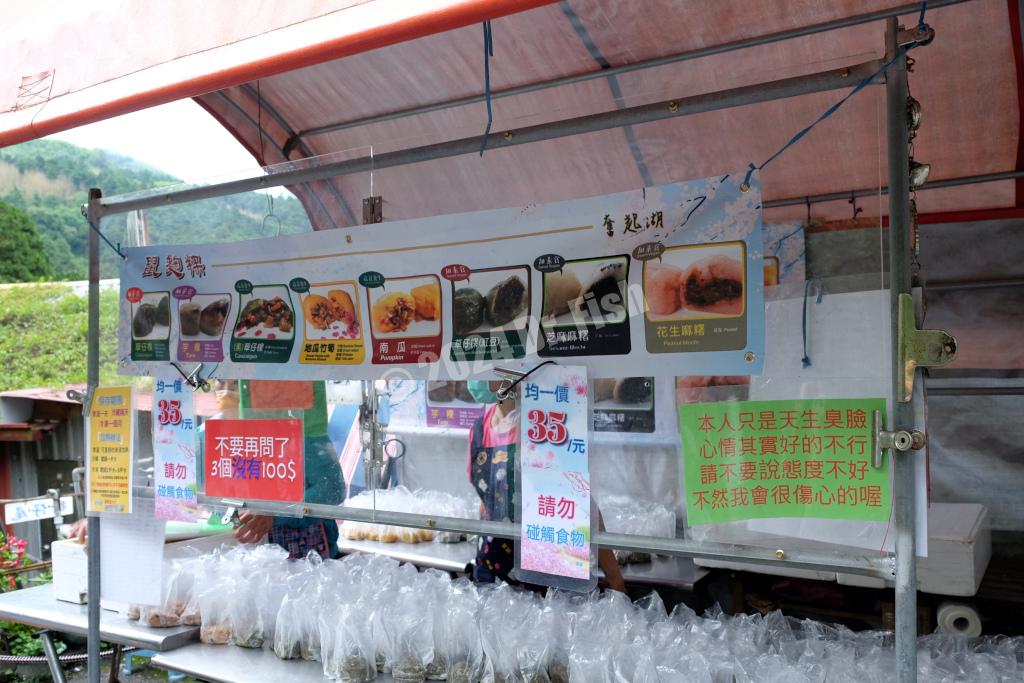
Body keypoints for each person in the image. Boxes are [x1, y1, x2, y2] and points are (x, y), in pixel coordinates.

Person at [465, 380, 625, 592]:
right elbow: (486, 502)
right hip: (491, 569)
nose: (478, 377)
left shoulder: (546, 427)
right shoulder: (478, 429)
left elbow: (581, 504)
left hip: (544, 573)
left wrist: (613, 575)